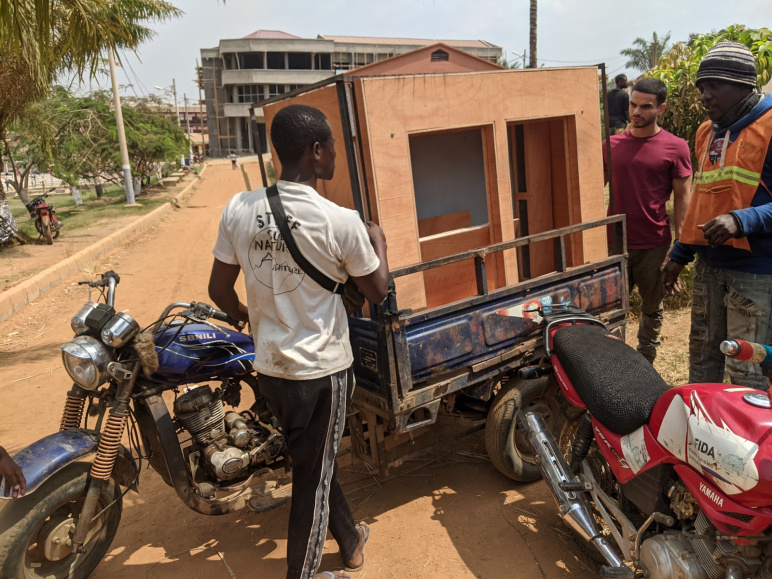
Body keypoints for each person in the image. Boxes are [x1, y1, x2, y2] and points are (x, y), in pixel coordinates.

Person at [208, 104, 389, 579]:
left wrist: (248, 316)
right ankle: (303, 573)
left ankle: (350, 542)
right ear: (315, 152)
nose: (333, 153)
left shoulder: (239, 208)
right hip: (322, 373)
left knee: (312, 461)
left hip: (270, 368)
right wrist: (380, 245)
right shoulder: (341, 220)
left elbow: (219, 291)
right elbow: (378, 291)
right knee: (311, 476)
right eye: (329, 145)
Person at [662, 41, 772, 389]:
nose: (704, 96)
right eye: (701, 88)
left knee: (746, 367)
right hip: (710, 267)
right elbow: (703, 199)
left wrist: (742, 220)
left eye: (714, 86)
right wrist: (681, 252)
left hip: (755, 271)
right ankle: (701, 433)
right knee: (703, 354)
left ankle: (748, 441)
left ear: (743, 86)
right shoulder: (706, 131)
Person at [604, 77, 693, 363]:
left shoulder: (676, 147)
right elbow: (592, 191)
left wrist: (679, 245)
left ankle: (645, 363)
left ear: (661, 108)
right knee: (611, 310)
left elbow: (682, 198)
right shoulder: (611, 145)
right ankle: (611, 364)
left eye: (645, 107)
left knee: (651, 307)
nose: (636, 112)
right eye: (633, 104)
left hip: (655, 243)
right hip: (614, 243)